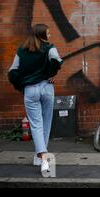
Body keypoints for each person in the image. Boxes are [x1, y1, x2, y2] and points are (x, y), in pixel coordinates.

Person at [8, 24, 63, 175]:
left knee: (36, 125)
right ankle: (44, 158)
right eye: (48, 33)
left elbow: (12, 72)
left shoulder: (21, 51)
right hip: (46, 88)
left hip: (30, 90)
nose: (50, 36)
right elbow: (57, 61)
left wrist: (22, 83)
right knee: (46, 123)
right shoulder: (50, 48)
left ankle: (40, 158)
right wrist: (50, 73)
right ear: (42, 35)